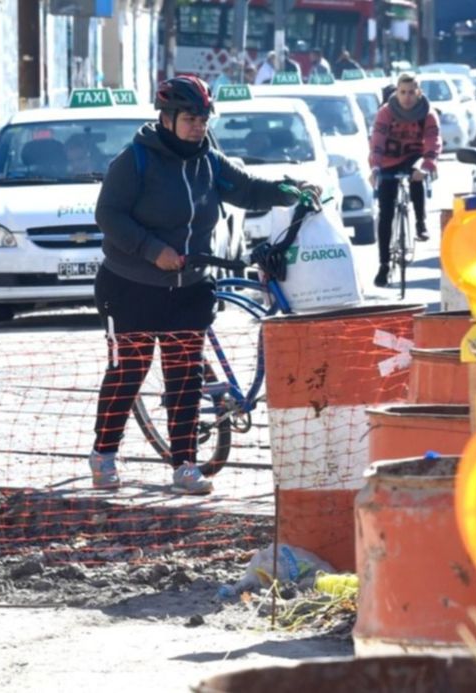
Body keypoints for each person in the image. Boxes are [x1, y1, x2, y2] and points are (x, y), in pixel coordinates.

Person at [90, 76, 317, 494]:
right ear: (167, 117)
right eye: (190, 118)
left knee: (184, 375)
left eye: (203, 118)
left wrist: (289, 191)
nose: (198, 126)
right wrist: (151, 248)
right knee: (130, 371)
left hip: (191, 284)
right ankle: (104, 454)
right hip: (132, 285)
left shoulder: (208, 159)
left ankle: (185, 465)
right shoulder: (135, 160)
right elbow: (108, 216)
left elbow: (246, 188)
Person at [367, 72, 440, 288]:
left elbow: (433, 141)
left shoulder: (428, 114)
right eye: (402, 92)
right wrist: (375, 168)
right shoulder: (386, 113)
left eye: (411, 92)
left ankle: (420, 221)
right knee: (386, 213)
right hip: (389, 161)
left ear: (419, 93)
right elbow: (377, 142)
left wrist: (427, 166)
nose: (407, 97)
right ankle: (384, 264)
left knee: (416, 176)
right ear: (396, 93)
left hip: (414, 157)